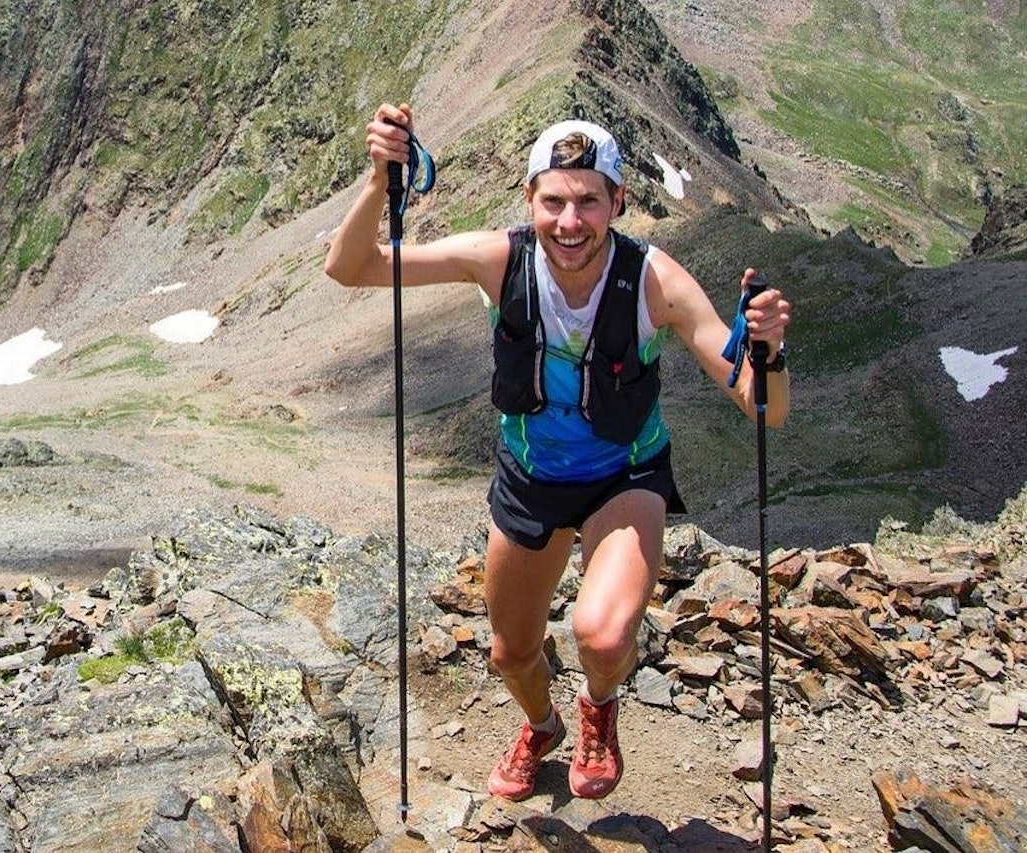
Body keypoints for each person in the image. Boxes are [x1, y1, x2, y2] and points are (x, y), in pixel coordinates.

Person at [324, 103, 791, 802]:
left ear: (619, 202)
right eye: (554, 202)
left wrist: (770, 353)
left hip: (624, 476)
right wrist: (377, 179)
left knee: (600, 635)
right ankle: (541, 724)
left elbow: (763, 407)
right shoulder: (498, 259)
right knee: (510, 651)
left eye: (588, 202)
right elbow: (351, 267)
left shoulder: (655, 280)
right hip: (530, 480)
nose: (570, 222)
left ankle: (598, 705)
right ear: (530, 200)